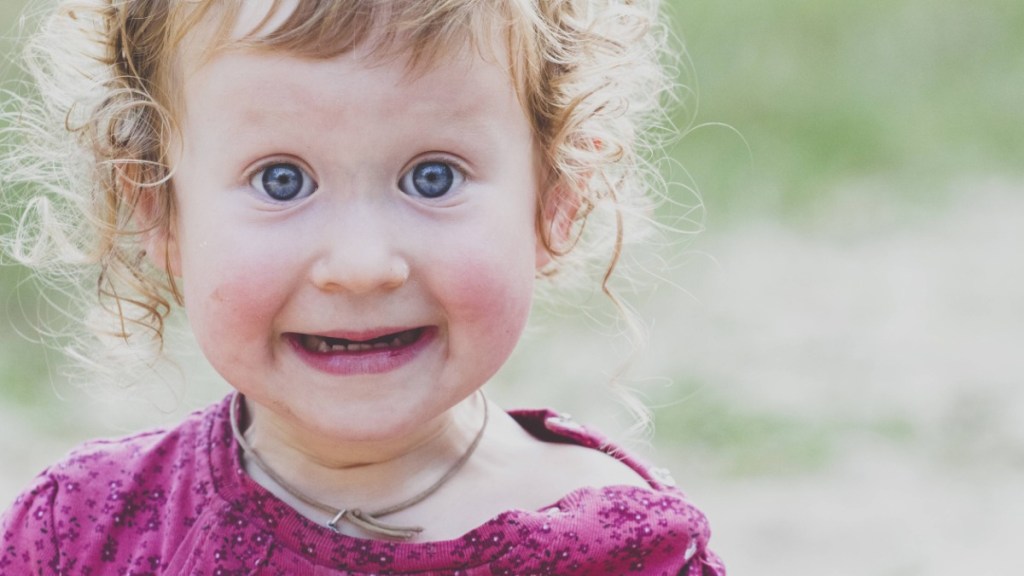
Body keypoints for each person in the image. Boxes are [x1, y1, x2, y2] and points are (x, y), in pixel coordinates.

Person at [0, 0, 724, 573]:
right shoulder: (81, 535)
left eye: (431, 177)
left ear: (556, 195)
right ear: (157, 207)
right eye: (281, 180)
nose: (361, 263)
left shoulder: (622, 554)